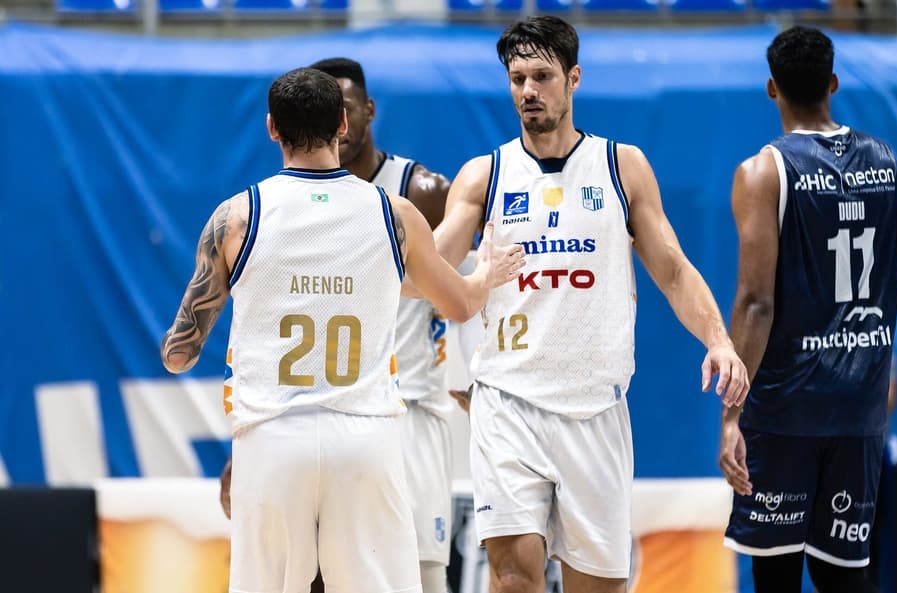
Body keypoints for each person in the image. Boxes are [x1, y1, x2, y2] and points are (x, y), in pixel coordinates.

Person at [161, 67, 525, 593]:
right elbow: (463, 305)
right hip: (365, 436)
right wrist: (487, 273)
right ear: (342, 123)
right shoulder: (394, 213)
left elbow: (180, 354)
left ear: (271, 127)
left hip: (272, 437)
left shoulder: (236, 217)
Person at [430, 16, 749, 593]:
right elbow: (428, 270)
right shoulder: (484, 176)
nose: (528, 91)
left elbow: (674, 270)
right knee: (512, 578)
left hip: (595, 407)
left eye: (542, 77)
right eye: (518, 79)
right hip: (509, 403)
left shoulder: (621, 166)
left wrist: (718, 340)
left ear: (573, 79)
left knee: (597, 587)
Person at [218, 57, 458, 593]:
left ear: (363, 112)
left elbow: (458, 294)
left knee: (421, 575)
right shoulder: (294, 207)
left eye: (343, 106)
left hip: (403, 405)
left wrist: (471, 371)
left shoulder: (419, 192)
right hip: (319, 414)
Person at [718, 25, 897, 593]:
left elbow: (755, 302)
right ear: (833, 83)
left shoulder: (763, 171)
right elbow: (893, 290)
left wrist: (731, 417)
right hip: (859, 403)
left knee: (775, 573)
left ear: (772, 88)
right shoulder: (887, 161)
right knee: (843, 576)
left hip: (786, 408)